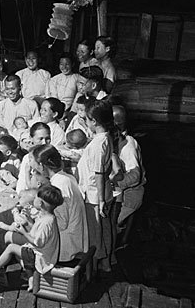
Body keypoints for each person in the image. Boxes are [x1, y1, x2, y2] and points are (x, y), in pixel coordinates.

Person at [0, 185, 63, 292]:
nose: (34, 200)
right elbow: (36, 234)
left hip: (41, 257)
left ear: (41, 203)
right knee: (20, 252)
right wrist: (28, 220)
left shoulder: (45, 222)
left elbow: (37, 243)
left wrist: (23, 232)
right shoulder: (47, 217)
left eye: (36, 198)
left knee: (11, 248)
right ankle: (31, 279)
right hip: (43, 253)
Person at [31, 145, 88, 262]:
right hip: (75, 238)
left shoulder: (59, 185)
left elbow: (61, 223)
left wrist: (35, 217)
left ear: (41, 165)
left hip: (66, 247)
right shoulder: (66, 177)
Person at [77, 99, 115, 272]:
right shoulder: (105, 137)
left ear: (94, 121)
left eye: (86, 119)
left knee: (95, 233)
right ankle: (106, 262)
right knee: (104, 229)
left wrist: (100, 201)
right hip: (101, 191)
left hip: (94, 195)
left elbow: (99, 172)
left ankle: (94, 268)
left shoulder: (99, 143)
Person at [111, 105, 146, 230]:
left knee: (110, 227)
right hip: (119, 195)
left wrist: (113, 183)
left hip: (129, 198)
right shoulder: (115, 141)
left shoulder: (128, 146)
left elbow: (135, 176)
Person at [17, 123, 53, 194]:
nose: (44, 142)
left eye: (47, 139)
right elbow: (22, 182)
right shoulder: (27, 158)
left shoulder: (54, 157)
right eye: (40, 139)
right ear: (31, 138)